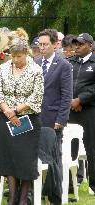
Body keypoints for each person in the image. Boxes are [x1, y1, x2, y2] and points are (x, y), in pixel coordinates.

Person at [0, 37, 44, 205]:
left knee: (25, 160)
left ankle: (23, 199)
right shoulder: (3, 68)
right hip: (5, 119)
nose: (15, 60)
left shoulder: (36, 70)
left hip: (27, 119)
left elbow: (36, 97)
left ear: (26, 53)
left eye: (19, 57)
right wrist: (8, 111)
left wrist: (16, 111)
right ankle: (12, 198)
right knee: (9, 158)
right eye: (12, 56)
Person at [35, 29, 73, 157]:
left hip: (53, 117)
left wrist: (62, 119)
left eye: (45, 44)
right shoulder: (35, 63)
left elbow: (67, 95)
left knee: (53, 155)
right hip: (35, 116)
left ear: (54, 44)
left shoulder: (64, 65)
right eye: (39, 44)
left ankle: (56, 177)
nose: (41, 47)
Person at [69, 33, 95, 192]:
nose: (76, 46)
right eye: (75, 44)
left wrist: (81, 99)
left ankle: (93, 184)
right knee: (70, 147)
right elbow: (63, 83)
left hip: (90, 110)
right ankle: (71, 184)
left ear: (91, 46)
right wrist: (72, 101)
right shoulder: (69, 62)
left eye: (80, 44)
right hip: (70, 109)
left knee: (91, 147)